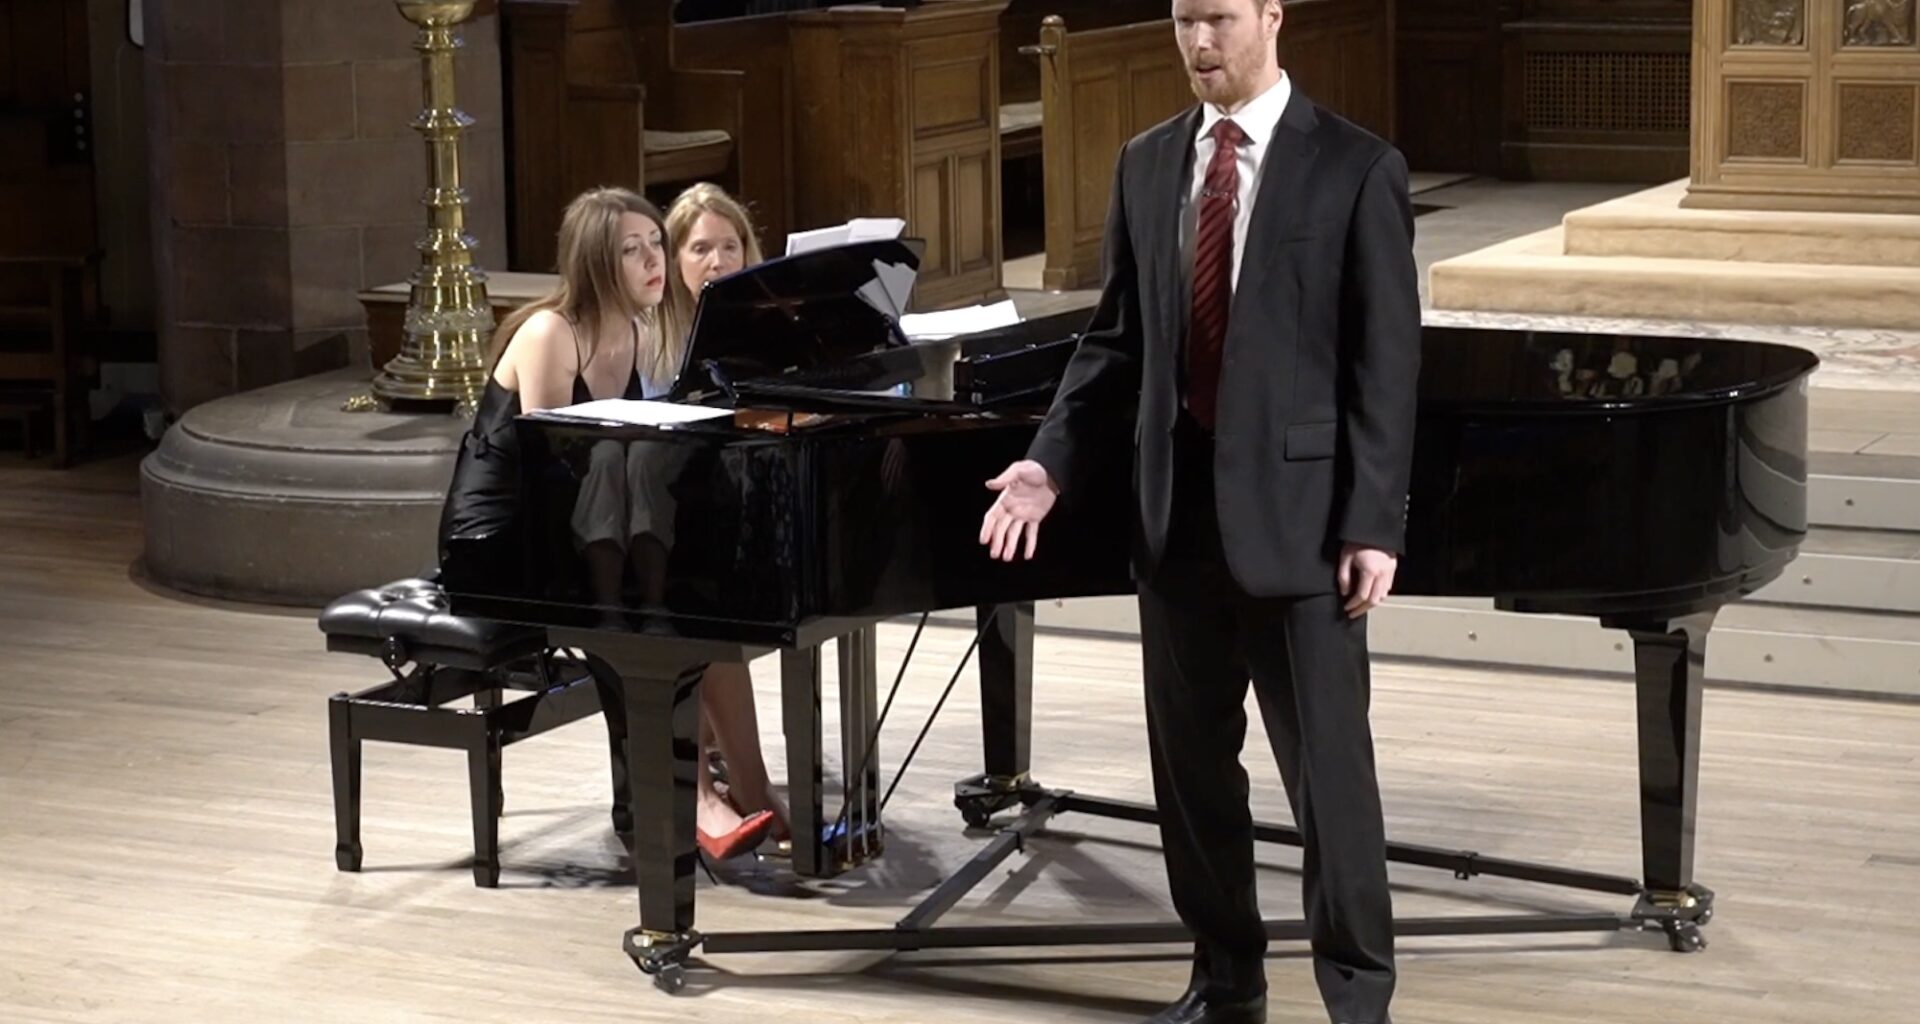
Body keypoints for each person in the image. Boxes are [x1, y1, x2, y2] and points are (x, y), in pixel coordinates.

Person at [977, 1, 1421, 1022]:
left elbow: (1385, 367)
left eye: (1218, 18)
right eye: (1183, 21)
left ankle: (1359, 999)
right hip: (1175, 522)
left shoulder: (1355, 167)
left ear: (1271, 16)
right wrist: (1050, 463)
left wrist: (1373, 523)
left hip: (1304, 530)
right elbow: (1114, 341)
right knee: (1193, 782)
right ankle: (1227, 981)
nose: (1197, 42)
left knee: (1333, 792)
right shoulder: (1146, 164)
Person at [437, 185, 777, 862]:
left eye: (656, 243)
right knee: (654, 623)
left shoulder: (642, 330)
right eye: (633, 250)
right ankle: (686, 802)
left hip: (587, 531)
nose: (655, 261)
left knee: (693, 607)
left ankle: (720, 794)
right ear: (597, 261)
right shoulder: (549, 333)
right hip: (500, 540)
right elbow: (550, 474)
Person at [659, 182, 794, 845]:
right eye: (700, 248)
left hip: (717, 516)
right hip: (654, 524)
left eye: (730, 246)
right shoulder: (652, 333)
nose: (717, 262)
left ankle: (740, 779)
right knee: (699, 602)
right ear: (673, 257)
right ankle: (729, 785)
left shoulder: (757, 328)